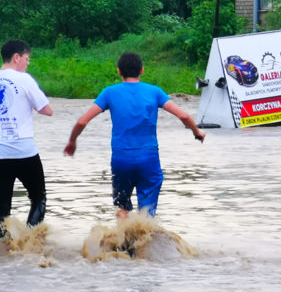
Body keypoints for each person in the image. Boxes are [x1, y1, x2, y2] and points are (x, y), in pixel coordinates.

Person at [64, 52, 205, 218]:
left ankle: (121, 241)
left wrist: (72, 141)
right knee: (146, 214)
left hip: (121, 160)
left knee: (122, 208)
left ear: (119, 71)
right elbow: (184, 116)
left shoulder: (109, 93)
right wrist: (197, 132)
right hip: (148, 160)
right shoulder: (155, 92)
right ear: (142, 70)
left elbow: (81, 122)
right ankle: (143, 241)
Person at [0, 40, 53, 231]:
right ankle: (30, 240)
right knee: (38, 197)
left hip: (1, 154)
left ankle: (4, 249)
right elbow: (47, 110)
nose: (28, 63)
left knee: (2, 206)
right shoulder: (25, 79)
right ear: (16, 57)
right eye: (26, 58)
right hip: (25, 152)